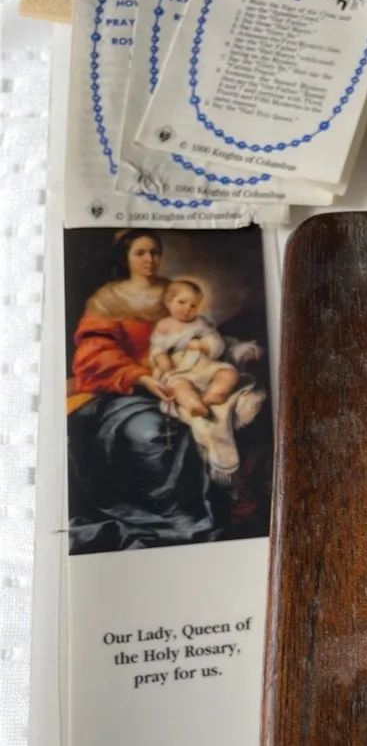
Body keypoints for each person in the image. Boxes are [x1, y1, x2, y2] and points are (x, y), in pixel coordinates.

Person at [67, 231, 261, 553]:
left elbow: (202, 332)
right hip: (128, 386)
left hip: (186, 374)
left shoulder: (175, 294)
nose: (150, 259)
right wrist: (143, 377)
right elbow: (96, 353)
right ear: (125, 257)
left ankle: (217, 506)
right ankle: (173, 520)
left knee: (228, 410)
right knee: (152, 433)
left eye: (155, 252)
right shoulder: (107, 300)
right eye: (140, 253)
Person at [150, 279, 240, 418]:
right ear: (168, 302)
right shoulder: (164, 325)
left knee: (228, 373)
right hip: (178, 369)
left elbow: (215, 340)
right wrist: (161, 358)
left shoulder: (200, 323)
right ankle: (194, 405)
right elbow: (156, 346)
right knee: (178, 387)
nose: (188, 308)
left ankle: (213, 394)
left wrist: (204, 345)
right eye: (181, 302)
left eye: (193, 305)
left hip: (203, 364)